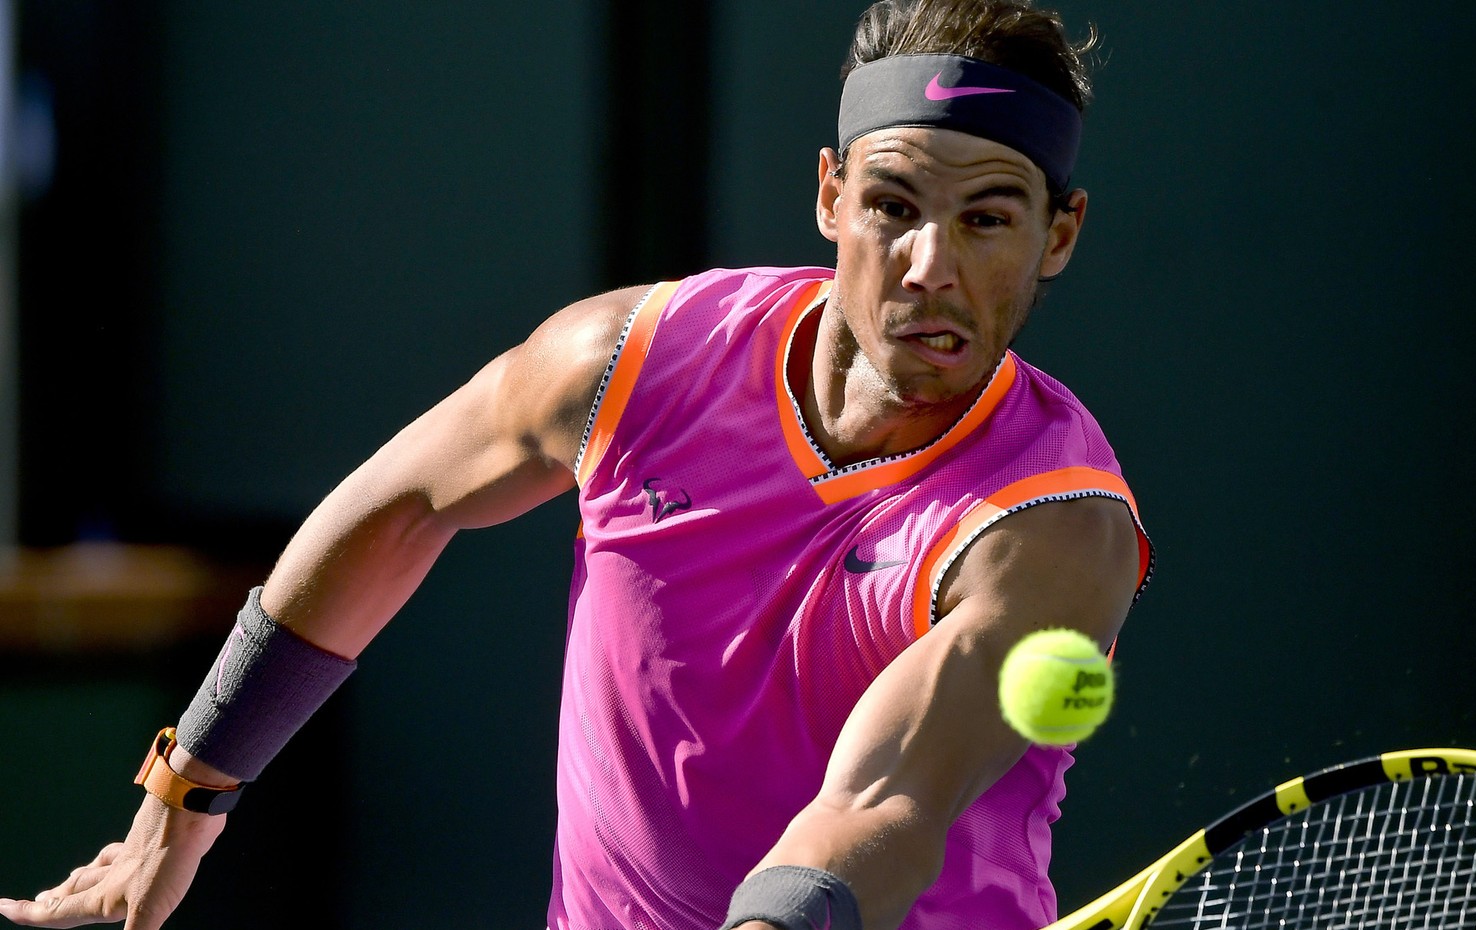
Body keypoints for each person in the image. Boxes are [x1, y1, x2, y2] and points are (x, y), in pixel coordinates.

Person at [0, 0, 1152, 928]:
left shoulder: (1051, 529)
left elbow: (882, 800)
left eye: (988, 220)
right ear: (828, 196)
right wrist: (181, 804)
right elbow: (395, 510)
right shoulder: (630, 363)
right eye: (892, 204)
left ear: (1060, 233)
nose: (927, 265)